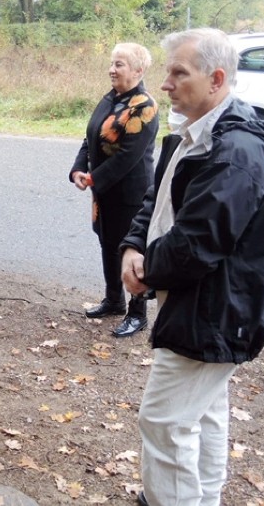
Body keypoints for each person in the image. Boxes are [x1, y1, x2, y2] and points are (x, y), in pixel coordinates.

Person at [119, 29, 264, 506]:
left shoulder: (236, 152)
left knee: (165, 420)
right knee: (204, 413)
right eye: (167, 71)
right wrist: (133, 246)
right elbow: (156, 200)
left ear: (216, 79)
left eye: (178, 72)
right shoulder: (191, 135)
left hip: (214, 310)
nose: (166, 84)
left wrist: (145, 270)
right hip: (199, 303)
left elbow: (198, 242)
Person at [70, 43, 159, 338]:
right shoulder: (110, 98)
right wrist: (77, 169)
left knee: (130, 251)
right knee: (107, 243)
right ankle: (113, 300)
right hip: (103, 191)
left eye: (119, 64)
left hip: (130, 194)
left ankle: (137, 313)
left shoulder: (144, 106)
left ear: (138, 70)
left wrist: (93, 178)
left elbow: (127, 157)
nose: (112, 69)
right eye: (112, 63)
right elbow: (90, 138)